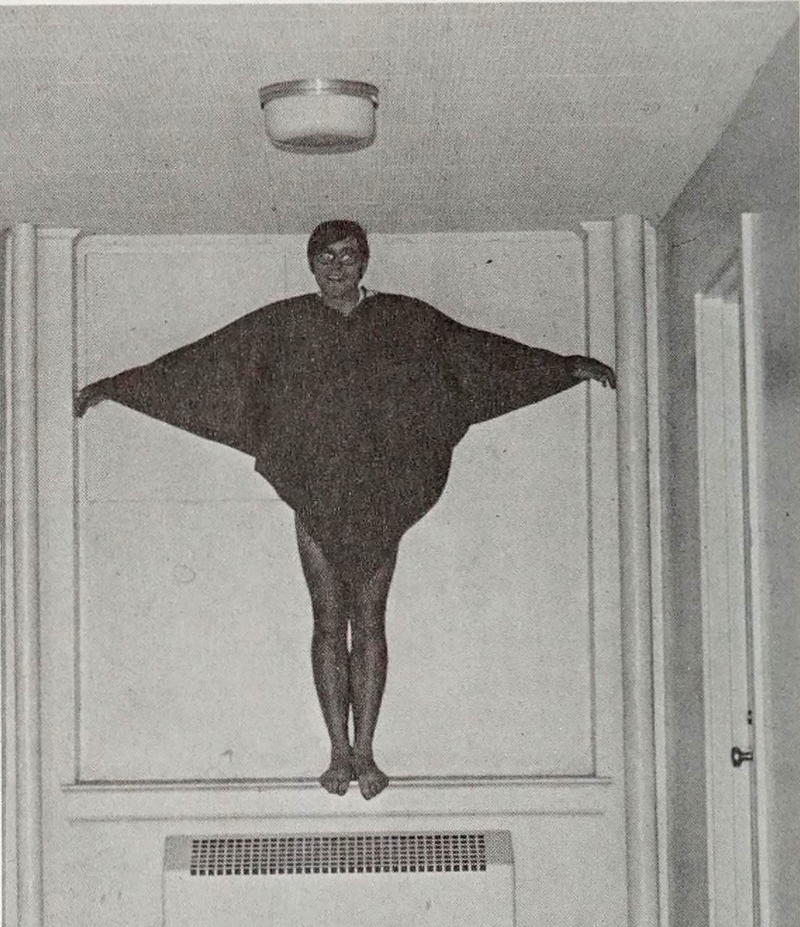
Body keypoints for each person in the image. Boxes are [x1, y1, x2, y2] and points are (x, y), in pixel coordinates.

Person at [75, 219, 615, 800]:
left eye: (348, 255)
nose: (337, 266)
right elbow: (207, 364)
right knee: (328, 621)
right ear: (311, 264)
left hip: (382, 494)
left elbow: (476, 354)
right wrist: (120, 386)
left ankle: (367, 752)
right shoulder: (283, 323)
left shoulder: (406, 318)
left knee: (371, 620)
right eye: (326, 256)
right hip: (315, 490)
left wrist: (561, 368)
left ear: (365, 261)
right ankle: (337, 751)